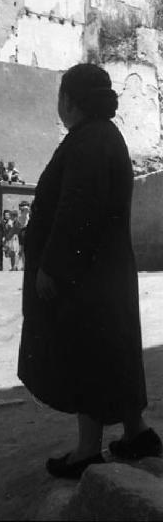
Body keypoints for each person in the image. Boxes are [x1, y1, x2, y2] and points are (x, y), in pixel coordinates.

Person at [18, 63, 163, 480]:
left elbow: (75, 211)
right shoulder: (105, 137)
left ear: (69, 100)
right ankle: (137, 434)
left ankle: (86, 451)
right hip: (107, 272)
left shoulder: (88, 141)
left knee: (89, 355)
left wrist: (53, 267)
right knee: (115, 353)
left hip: (88, 276)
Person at [18, 200, 30, 270]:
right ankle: (25, 265)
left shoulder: (22, 214)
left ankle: (25, 265)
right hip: (25, 230)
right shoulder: (25, 214)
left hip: (23, 230)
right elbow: (26, 208)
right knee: (24, 249)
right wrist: (25, 205)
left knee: (23, 249)